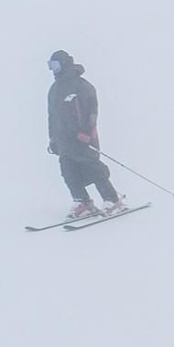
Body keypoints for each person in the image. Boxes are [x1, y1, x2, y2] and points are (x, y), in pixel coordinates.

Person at [47, 49, 126, 222]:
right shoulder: (54, 89)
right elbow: (52, 116)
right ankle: (82, 201)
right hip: (63, 140)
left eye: (55, 65)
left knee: (93, 167)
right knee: (67, 169)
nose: (53, 69)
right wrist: (52, 137)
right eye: (50, 66)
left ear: (65, 64)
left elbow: (92, 110)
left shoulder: (81, 86)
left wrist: (88, 131)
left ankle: (112, 199)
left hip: (82, 137)